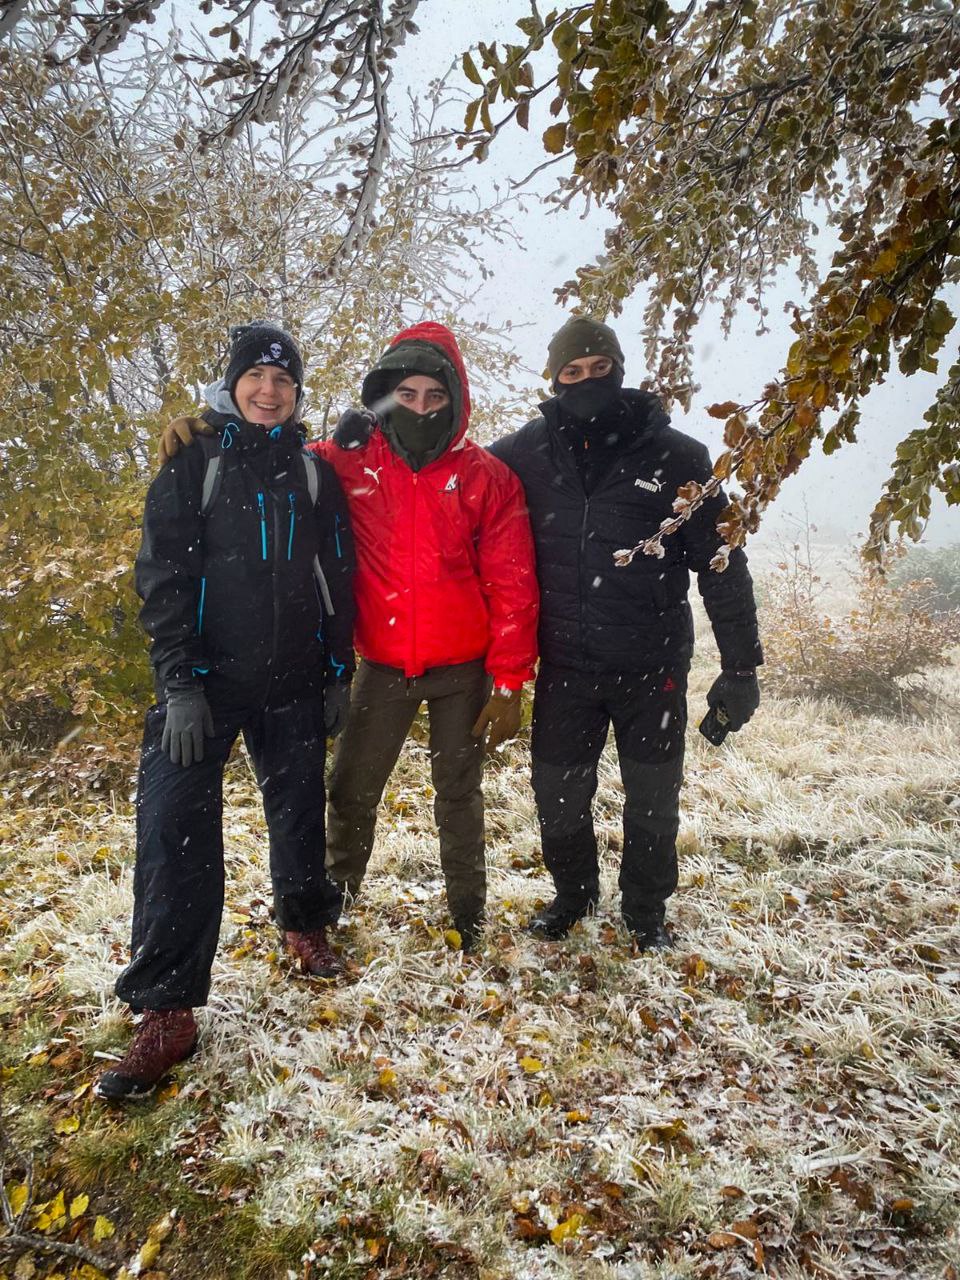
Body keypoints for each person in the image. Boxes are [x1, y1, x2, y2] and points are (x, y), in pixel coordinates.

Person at [158, 322, 539, 951]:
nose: (420, 407)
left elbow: (514, 584)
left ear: (455, 399)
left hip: (461, 670)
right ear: (387, 394)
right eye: (406, 394)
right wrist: (203, 426)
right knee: (351, 791)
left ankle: (468, 915)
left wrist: (509, 680)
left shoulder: (486, 477)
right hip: (381, 665)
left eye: (435, 396)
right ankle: (331, 905)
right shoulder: (349, 461)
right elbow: (268, 449)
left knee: (458, 795)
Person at [98, 323, 355, 1102]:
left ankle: (304, 923)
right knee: (174, 830)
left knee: (299, 808)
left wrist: (337, 670)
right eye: (256, 378)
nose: (269, 391)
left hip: (294, 678)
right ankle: (168, 1010)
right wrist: (179, 683)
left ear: (297, 393)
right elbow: (163, 577)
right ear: (233, 383)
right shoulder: (196, 462)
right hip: (205, 685)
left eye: (283, 381)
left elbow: (336, 575)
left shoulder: (312, 474)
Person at [487, 316, 763, 950]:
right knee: (557, 794)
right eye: (572, 371)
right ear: (554, 378)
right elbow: (454, 479)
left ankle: (645, 911)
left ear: (619, 369)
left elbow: (722, 564)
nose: (586, 380)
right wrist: (372, 443)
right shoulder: (524, 453)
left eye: (599, 368)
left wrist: (741, 667)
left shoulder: (678, 457)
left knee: (652, 799)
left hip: (651, 667)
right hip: (564, 666)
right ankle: (573, 895)